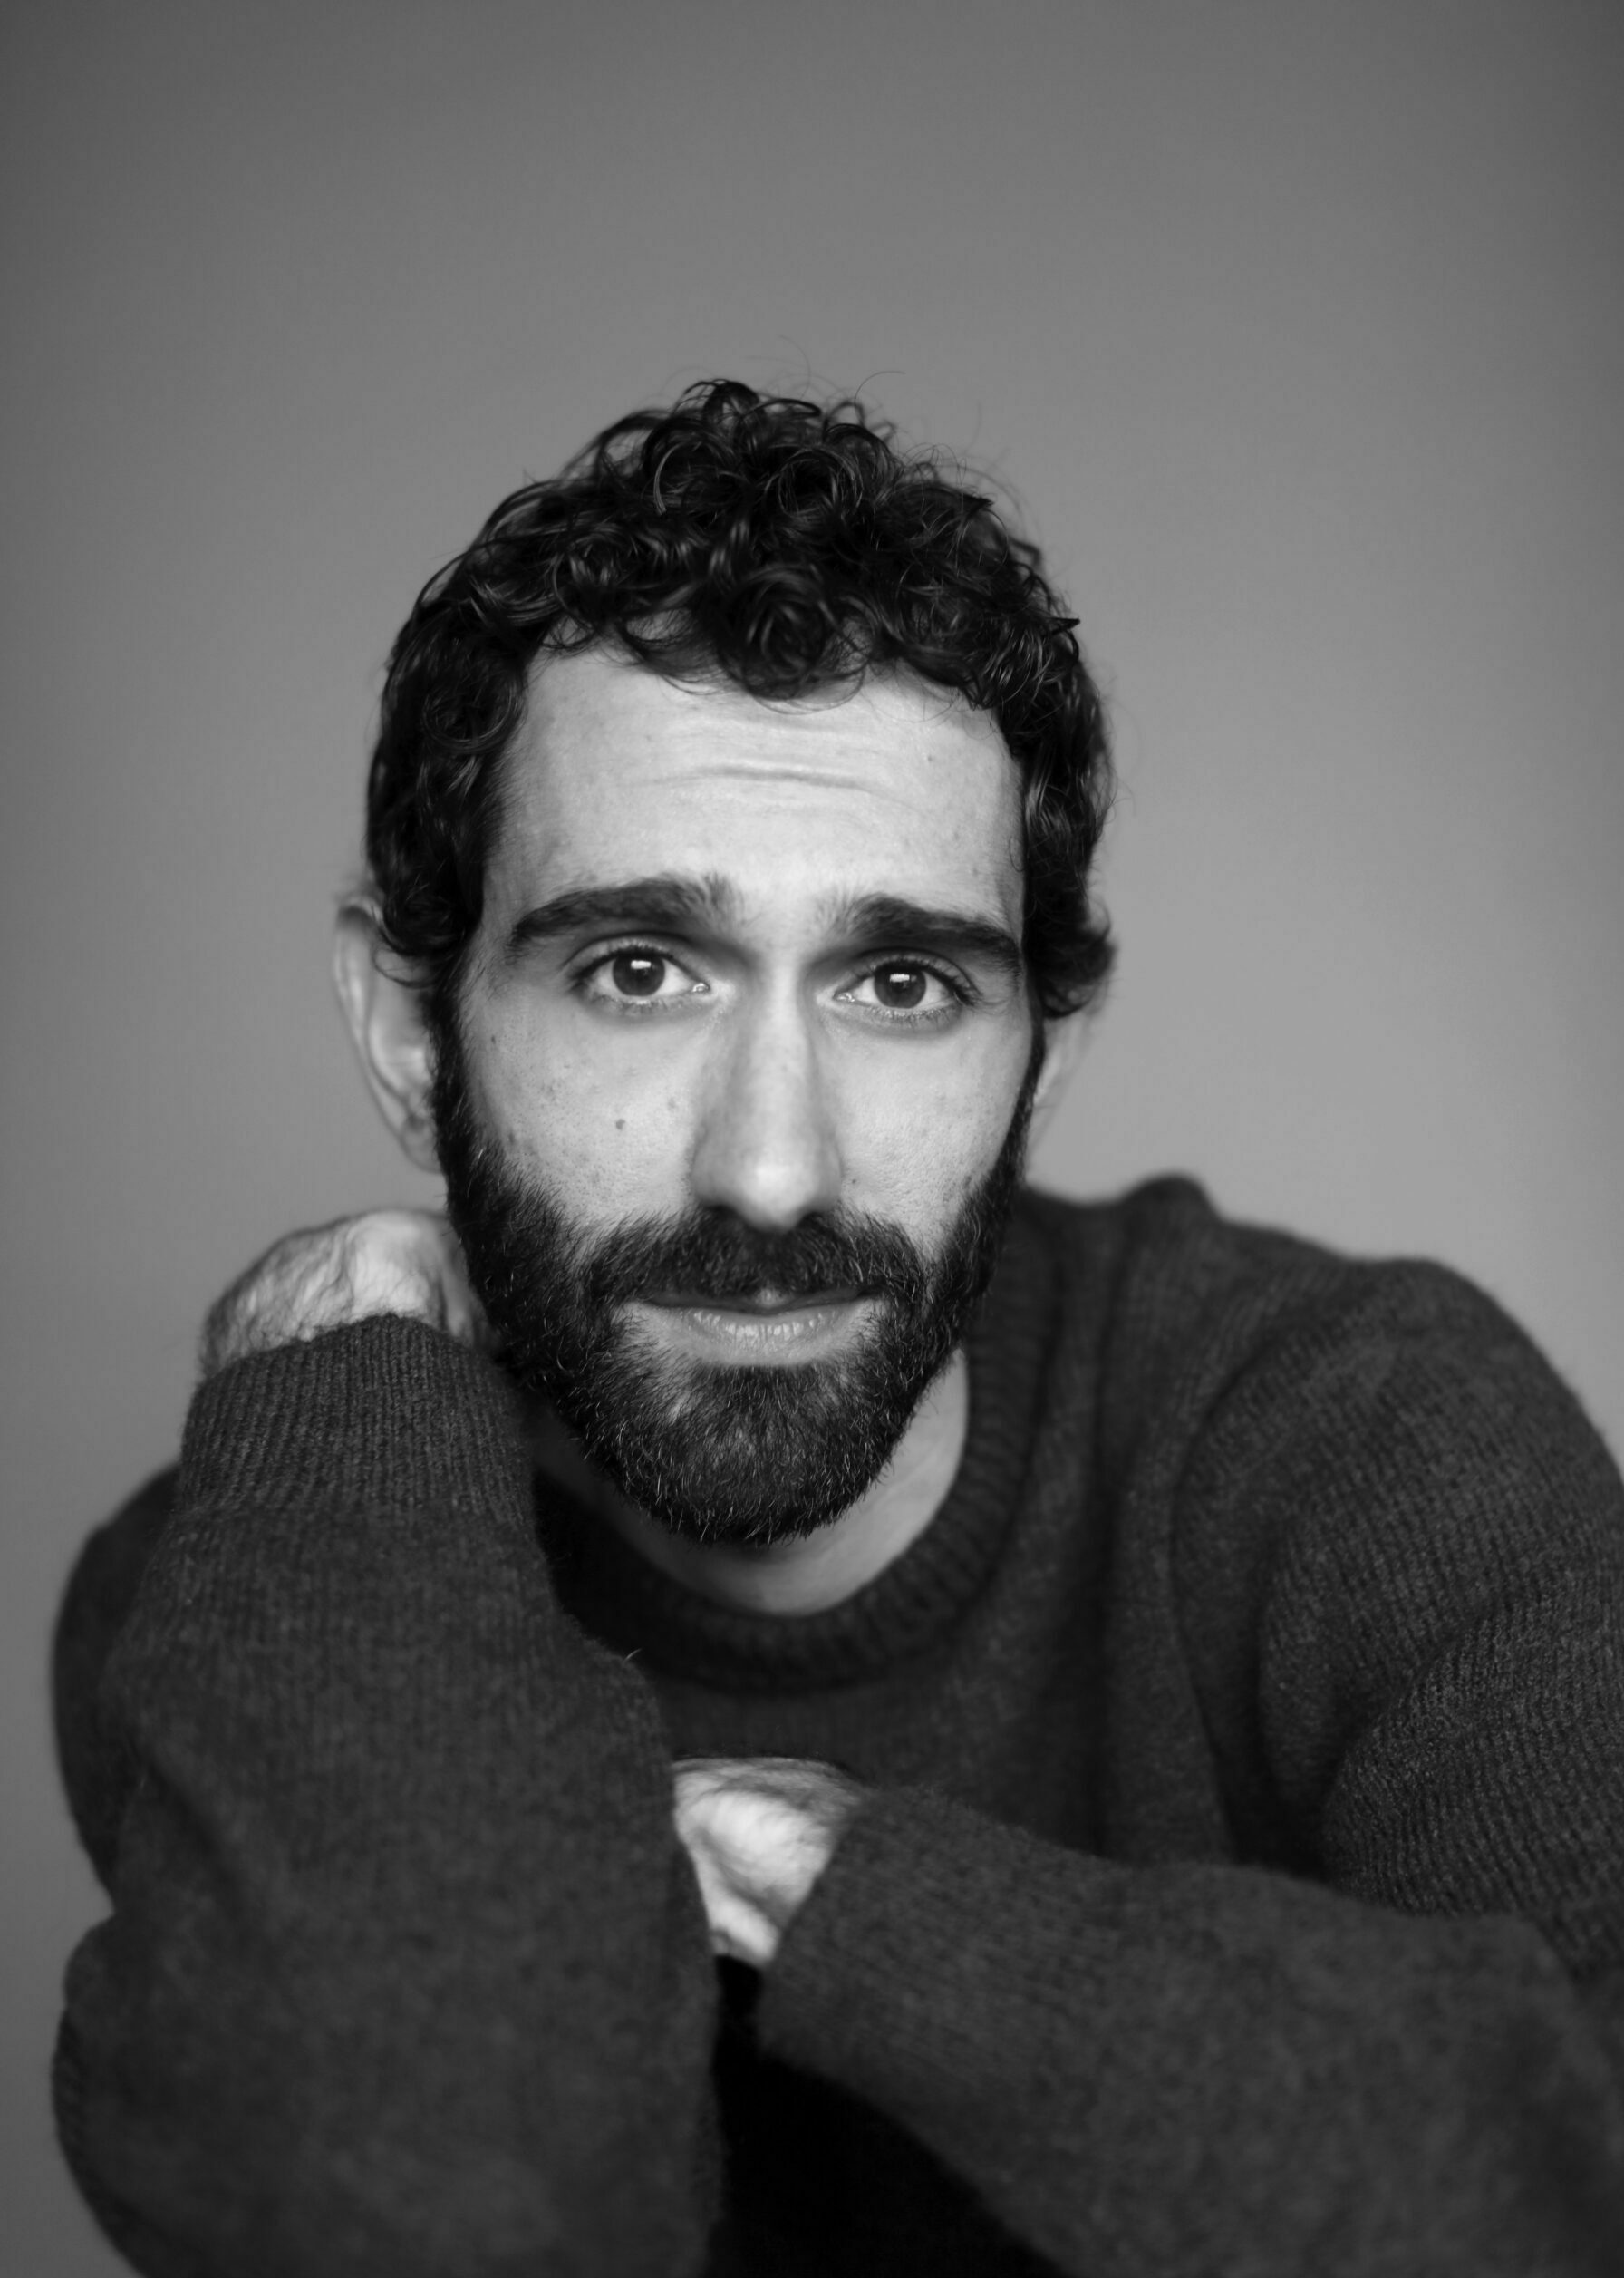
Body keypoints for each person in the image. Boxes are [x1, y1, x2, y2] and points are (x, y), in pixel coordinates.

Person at [53, 380, 1624, 2278]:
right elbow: (426, 2202)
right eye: (639, 970)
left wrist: (839, 1894)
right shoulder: (269, 1573)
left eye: (900, 985)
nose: (773, 1173)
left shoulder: (1363, 1442)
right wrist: (342, 1352)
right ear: (409, 1033)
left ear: (1039, 1065)